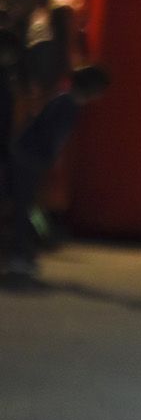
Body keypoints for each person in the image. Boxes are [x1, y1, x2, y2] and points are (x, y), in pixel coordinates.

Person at [4, 65, 110, 277]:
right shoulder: (66, 104)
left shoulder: (63, 101)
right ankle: (20, 256)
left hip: (25, 157)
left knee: (25, 207)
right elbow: (49, 135)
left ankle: (23, 254)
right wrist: (47, 158)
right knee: (25, 208)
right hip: (29, 160)